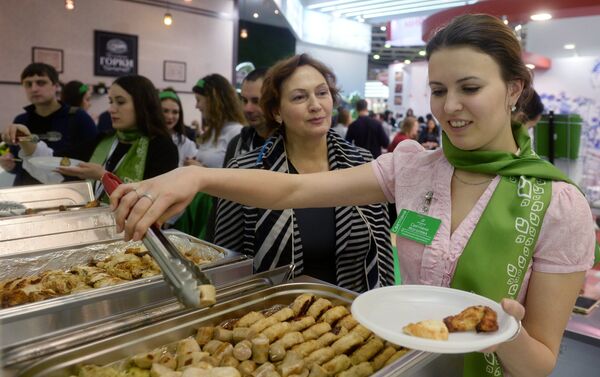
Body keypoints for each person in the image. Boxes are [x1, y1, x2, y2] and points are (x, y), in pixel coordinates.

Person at [110, 15, 596, 377]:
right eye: (438, 89)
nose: (450, 107)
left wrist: (503, 331)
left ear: (515, 89)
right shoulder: (412, 168)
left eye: (469, 87)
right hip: (400, 365)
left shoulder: (556, 204)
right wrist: (196, 179)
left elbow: (540, 363)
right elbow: (295, 188)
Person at [211, 54, 394, 290]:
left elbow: (383, 254)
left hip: (353, 315)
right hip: (271, 318)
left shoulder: (361, 163)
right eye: (299, 97)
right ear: (277, 111)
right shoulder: (247, 170)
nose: (315, 105)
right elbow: (227, 265)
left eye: (322, 93)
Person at [57, 75, 178, 201]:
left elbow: (152, 201)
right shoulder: (104, 139)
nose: (111, 109)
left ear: (142, 104)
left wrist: (103, 176)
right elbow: (59, 159)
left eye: (120, 102)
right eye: (111, 102)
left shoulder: (163, 148)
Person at [0, 63, 98, 185]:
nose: (34, 89)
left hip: (67, 191)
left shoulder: (79, 117)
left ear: (56, 86)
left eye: (41, 83)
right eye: (28, 84)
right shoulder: (21, 120)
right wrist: (9, 165)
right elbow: (17, 162)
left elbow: (95, 160)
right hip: (26, 190)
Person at [186, 74, 246, 168]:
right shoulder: (212, 131)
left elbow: (236, 176)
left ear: (213, 100)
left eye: (198, 100)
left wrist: (201, 170)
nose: (196, 106)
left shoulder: (236, 132)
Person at [223, 67, 273, 167]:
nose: (247, 109)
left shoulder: (292, 144)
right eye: (244, 100)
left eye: (256, 101)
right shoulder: (236, 144)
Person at [159, 89, 198, 166]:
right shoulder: (144, 139)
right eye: (165, 111)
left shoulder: (186, 144)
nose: (170, 116)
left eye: (175, 112)